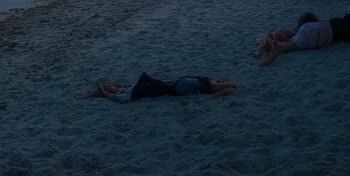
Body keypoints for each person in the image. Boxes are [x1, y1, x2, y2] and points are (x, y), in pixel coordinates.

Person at [81, 72, 238, 102]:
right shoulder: (134, 92)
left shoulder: (133, 93)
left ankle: (93, 93)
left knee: (214, 86)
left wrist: (102, 90)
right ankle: (94, 93)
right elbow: (114, 94)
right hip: (180, 85)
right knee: (214, 85)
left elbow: (114, 94)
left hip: (181, 83)